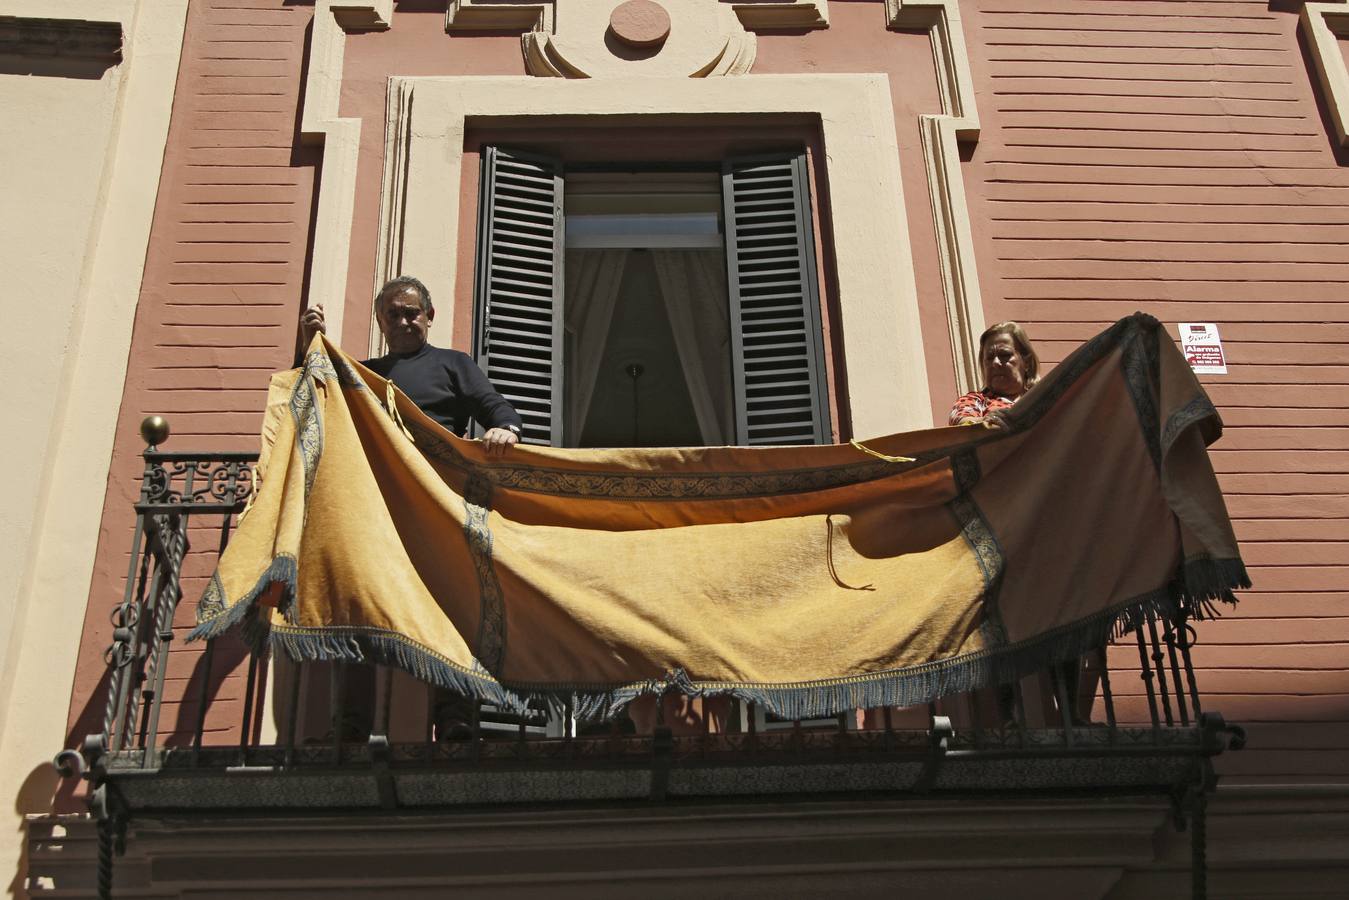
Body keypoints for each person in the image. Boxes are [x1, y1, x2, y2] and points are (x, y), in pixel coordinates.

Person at [300, 275, 522, 454]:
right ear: (380, 321)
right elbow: (307, 401)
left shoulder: (453, 363)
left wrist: (506, 429)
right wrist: (309, 347)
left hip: (431, 487)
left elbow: (493, 405)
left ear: (429, 316)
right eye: (393, 314)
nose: (402, 322)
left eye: (411, 313)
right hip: (370, 495)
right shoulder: (360, 374)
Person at [948, 321, 1040, 428]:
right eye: (989, 357)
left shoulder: (1044, 398)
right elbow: (961, 421)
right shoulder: (976, 400)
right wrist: (985, 421)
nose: (995, 362)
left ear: (1027, 362)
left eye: (1004, 354)